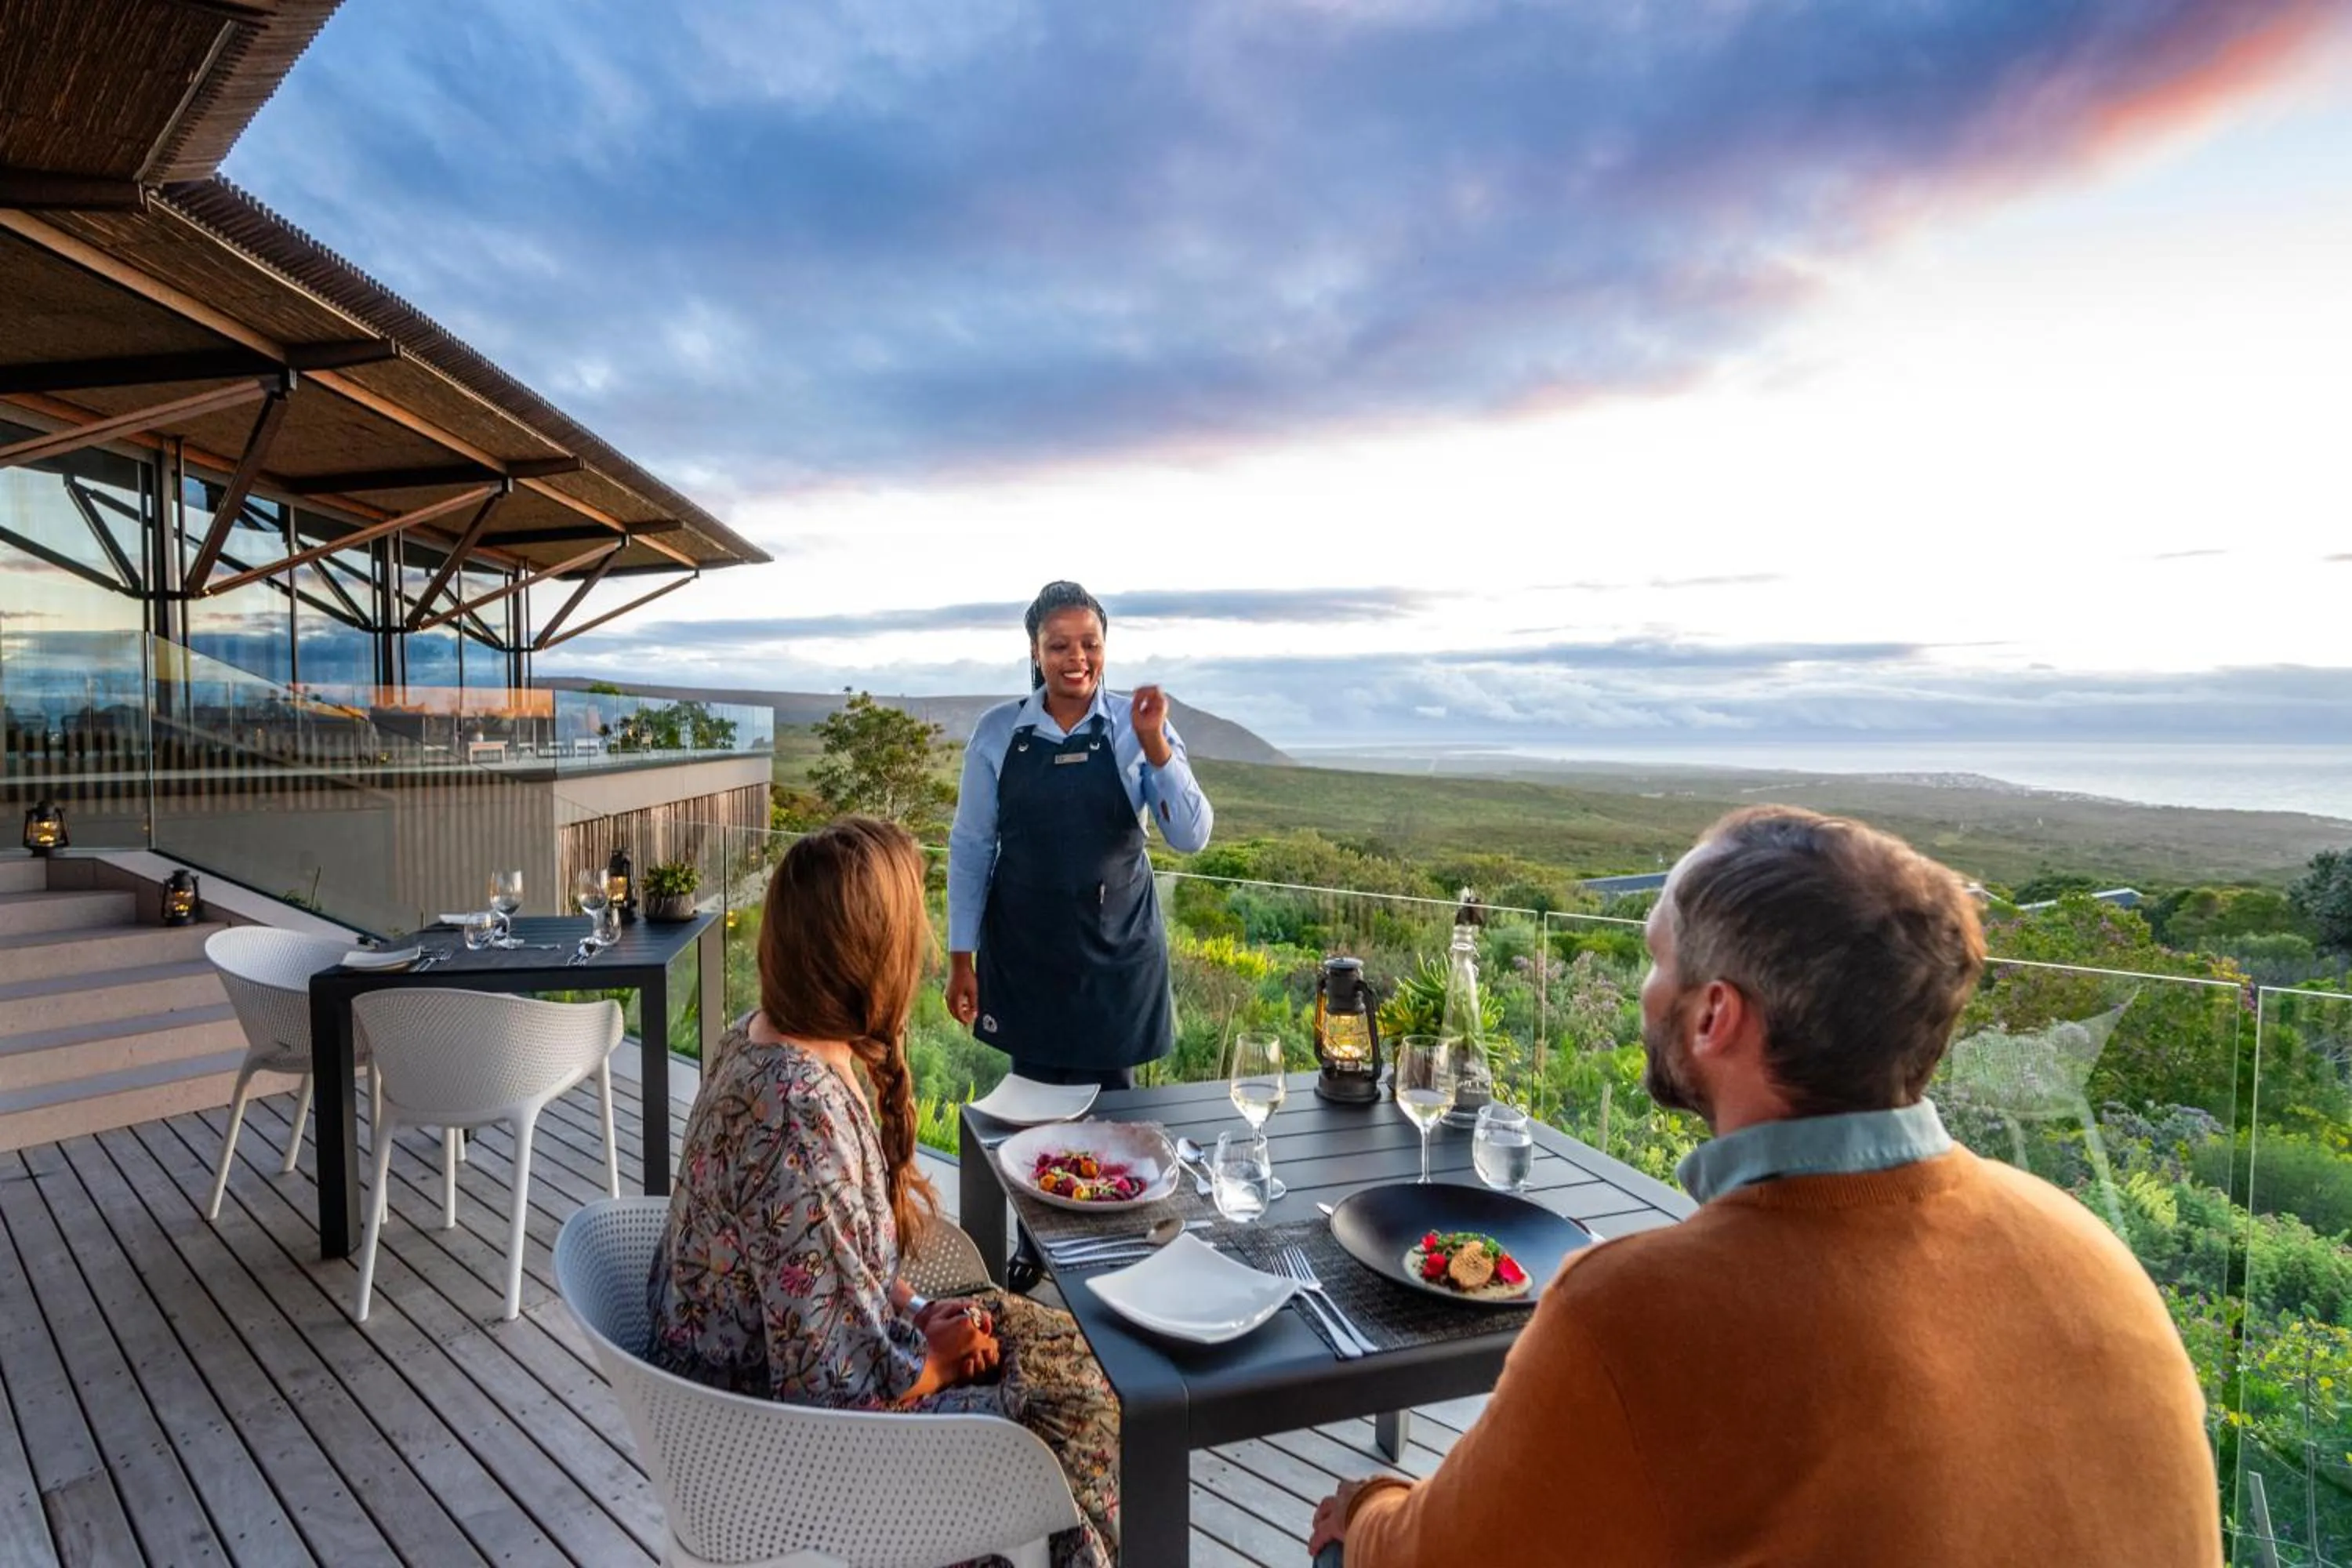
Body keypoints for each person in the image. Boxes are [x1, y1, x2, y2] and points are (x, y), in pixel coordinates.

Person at [1309, 805, 2222, 1567]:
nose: (1644, 992)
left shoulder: (1638, 1311)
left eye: (1656, 959)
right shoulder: (2089, 1247)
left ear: (1714, 1014)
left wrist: (1372, 1510)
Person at [646, 817, 1119, 1567]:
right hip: (777, 1461)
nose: (921, 953)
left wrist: (915, 1310)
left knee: (1070, 1352)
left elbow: (814, 1271)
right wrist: (937, 1362)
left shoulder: (759, 1038)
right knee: (1083, 1408)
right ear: (866, 955)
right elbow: (834, 1394)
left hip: (774, 1401)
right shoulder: (799, 1116)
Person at [946, 579, 1214, 1090]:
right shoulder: (996, 732)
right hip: (1024, 958)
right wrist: (961, 957)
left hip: (1118, 961)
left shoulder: (1138, 727)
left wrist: (1155, 745)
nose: (1077, 658)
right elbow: (971, 848)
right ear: (1035, 651)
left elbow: (1191, 835)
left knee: (1114, 1120)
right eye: (1059, 646)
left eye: (1090, 644)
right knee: (1031, 1110)